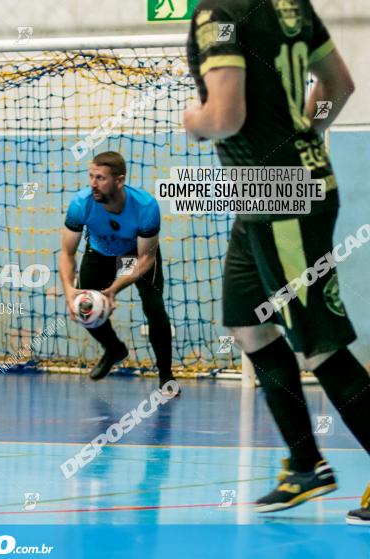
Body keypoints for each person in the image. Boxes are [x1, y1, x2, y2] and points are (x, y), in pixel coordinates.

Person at [184, 0, 369, 523]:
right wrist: (306, 133)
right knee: (250, 326)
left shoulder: (217, 12)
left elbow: (225, 116)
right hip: (263, 197)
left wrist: (194, 123)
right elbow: (339, 85)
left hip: (280, 199)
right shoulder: (290, 5)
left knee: (318, 344)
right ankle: (306, 465)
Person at [59, 151, 178, 395]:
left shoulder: (145, 206)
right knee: (84, 310)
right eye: (91, 176)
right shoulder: (81, 203)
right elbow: (67, 253)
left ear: (119, 181)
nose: (93, 183)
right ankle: (113, 349)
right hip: (101, 254)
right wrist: (69, 290)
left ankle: (166, 376)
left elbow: (146, 258)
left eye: (100, 178)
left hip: (134, 255)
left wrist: (114, 289)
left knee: (154, 308)